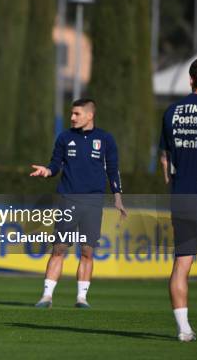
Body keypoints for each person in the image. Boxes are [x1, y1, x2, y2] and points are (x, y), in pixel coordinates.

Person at [30, 98, 126, 308]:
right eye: (71, 114)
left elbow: (113, 169)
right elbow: (55, 164)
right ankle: (46, 296)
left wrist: (117, 196)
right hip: (68, 199)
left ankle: (81, 298)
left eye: (77, 114)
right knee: (59, 249)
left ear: (90, 115)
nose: (72, 118)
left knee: (87, 251)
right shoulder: (64, 137)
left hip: (93, 201)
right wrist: (47, 171)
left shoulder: (106, 139)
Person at [159, 58, 197, 342]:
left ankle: (183, 329)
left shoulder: (172, 111)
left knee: (181, 264)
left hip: (182, 197)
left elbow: (164, 158)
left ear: (190, 80)